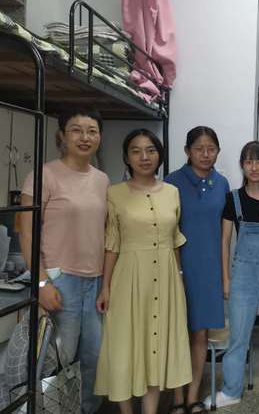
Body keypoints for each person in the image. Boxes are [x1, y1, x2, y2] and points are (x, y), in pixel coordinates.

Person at [94, 129, 191, 414]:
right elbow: (112, 243)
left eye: (150, 150)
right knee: (124, 346)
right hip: (129, 278)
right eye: (136, 151)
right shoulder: (114, 193)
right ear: (127, 157)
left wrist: (179, 278)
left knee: (155, 346)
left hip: (166, 277)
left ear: (159, 155)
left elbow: (175, 239)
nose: (144, 157)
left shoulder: (172, 192)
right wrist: (105, 287)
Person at [19, 107, 109, 414]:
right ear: (62, 136)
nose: (85, 137)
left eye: (92, 131)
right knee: (57, 361)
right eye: (76, 130)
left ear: (99, 137)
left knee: (93, 361)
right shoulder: (43, 175)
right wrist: (41, 282)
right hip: (60, 280)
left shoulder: (102, 179)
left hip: (95, 281)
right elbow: (26, 233)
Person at [205, 141, 259, 408]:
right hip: (242, 275)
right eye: (248, 161)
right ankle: (231, 390)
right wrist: (226, 280)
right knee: (237, 338)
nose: (254, 167)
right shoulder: (233, 199)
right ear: (242, 165)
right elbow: (224, 242)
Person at [165, 126, 229, 413]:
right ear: (187, 151)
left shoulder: (222, 183)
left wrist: (224, 275)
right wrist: (176, 269)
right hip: (176, 266)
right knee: (176, 333)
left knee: (200, 334)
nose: (205, 154)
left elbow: (225, 233)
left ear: (217, 151)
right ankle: (177, 398)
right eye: (199, 149)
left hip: (209, 269)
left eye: (211, 149)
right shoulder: (171, 182)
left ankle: (192, 397)